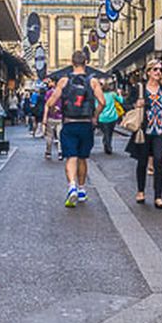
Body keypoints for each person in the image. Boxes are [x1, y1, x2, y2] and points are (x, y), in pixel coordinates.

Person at [45, 50, 105, 207]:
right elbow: (102, 102)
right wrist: (95, 116)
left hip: (69, 123)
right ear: (86, 63)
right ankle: (81, 188)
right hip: (86, 124)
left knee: (71, 157)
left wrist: (54, 111)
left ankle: (71, 185)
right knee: (83, 157)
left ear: (72, 63)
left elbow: (50, 102)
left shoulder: (64, 81)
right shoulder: (93, 82)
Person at [125, 59, 162, 209]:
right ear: (148, 73)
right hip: (144, 130)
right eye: (155, 70)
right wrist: (135, 105)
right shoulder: (140, 89)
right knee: (143, 161)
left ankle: (158, 196)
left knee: (159, 160)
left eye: (160, 70)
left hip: (160, 130)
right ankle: (140, 191)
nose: (158, 72)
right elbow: (126, 104)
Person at [97, 79, 123, 154]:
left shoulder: (98, 95)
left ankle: (107, 144)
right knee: (109, 132)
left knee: (106, 132)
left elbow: (96, 106)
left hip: (102, 117)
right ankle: (108, 145)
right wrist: (120, 94)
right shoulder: (112, 94)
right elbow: (121, 101)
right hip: (112, 116)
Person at [43, 85, 63, 160]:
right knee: (60, 136)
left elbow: (46, 105)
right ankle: (60, 152)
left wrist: (44, 118)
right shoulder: (63, 92)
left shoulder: (49, 93)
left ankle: (48, 152)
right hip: (60, 118)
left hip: (50, 117)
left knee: (49, 136)